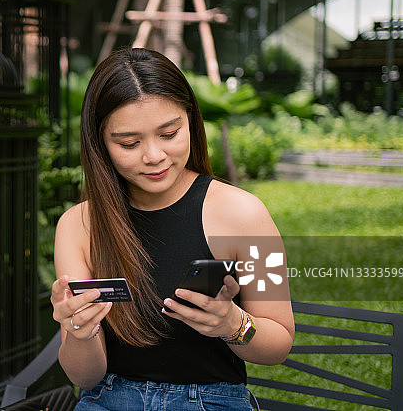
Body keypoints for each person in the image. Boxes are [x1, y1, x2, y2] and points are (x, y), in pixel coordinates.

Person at [50, 48, 294, 410]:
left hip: (211, 402)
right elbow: (84, 378)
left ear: (191, 120)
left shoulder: (245, 213)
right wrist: (78, 331)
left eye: (169, 133)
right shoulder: (78, 225)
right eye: (129, 143)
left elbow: (280, 342)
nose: (154, 156)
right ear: (100, 143)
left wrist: (233, 324)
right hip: (108, 399)